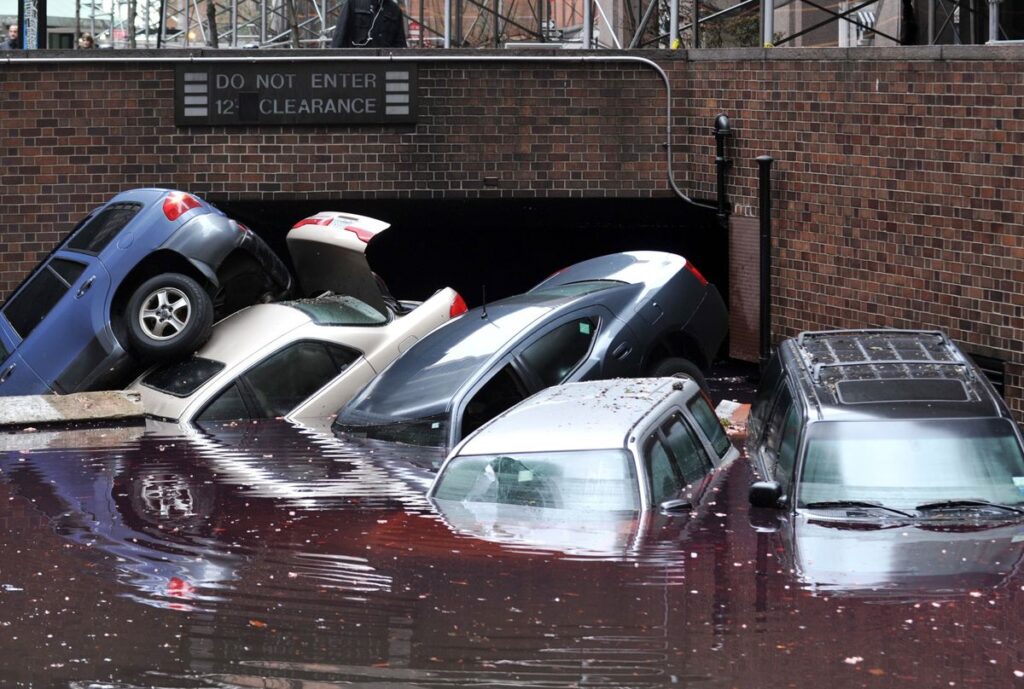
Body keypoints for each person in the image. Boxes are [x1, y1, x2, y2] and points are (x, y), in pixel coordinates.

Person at [330, 0, 406, 48]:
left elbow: (400, 44)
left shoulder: (395, 10)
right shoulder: (353, 3)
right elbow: (339, 36)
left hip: (383, 66)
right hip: (356, 64)